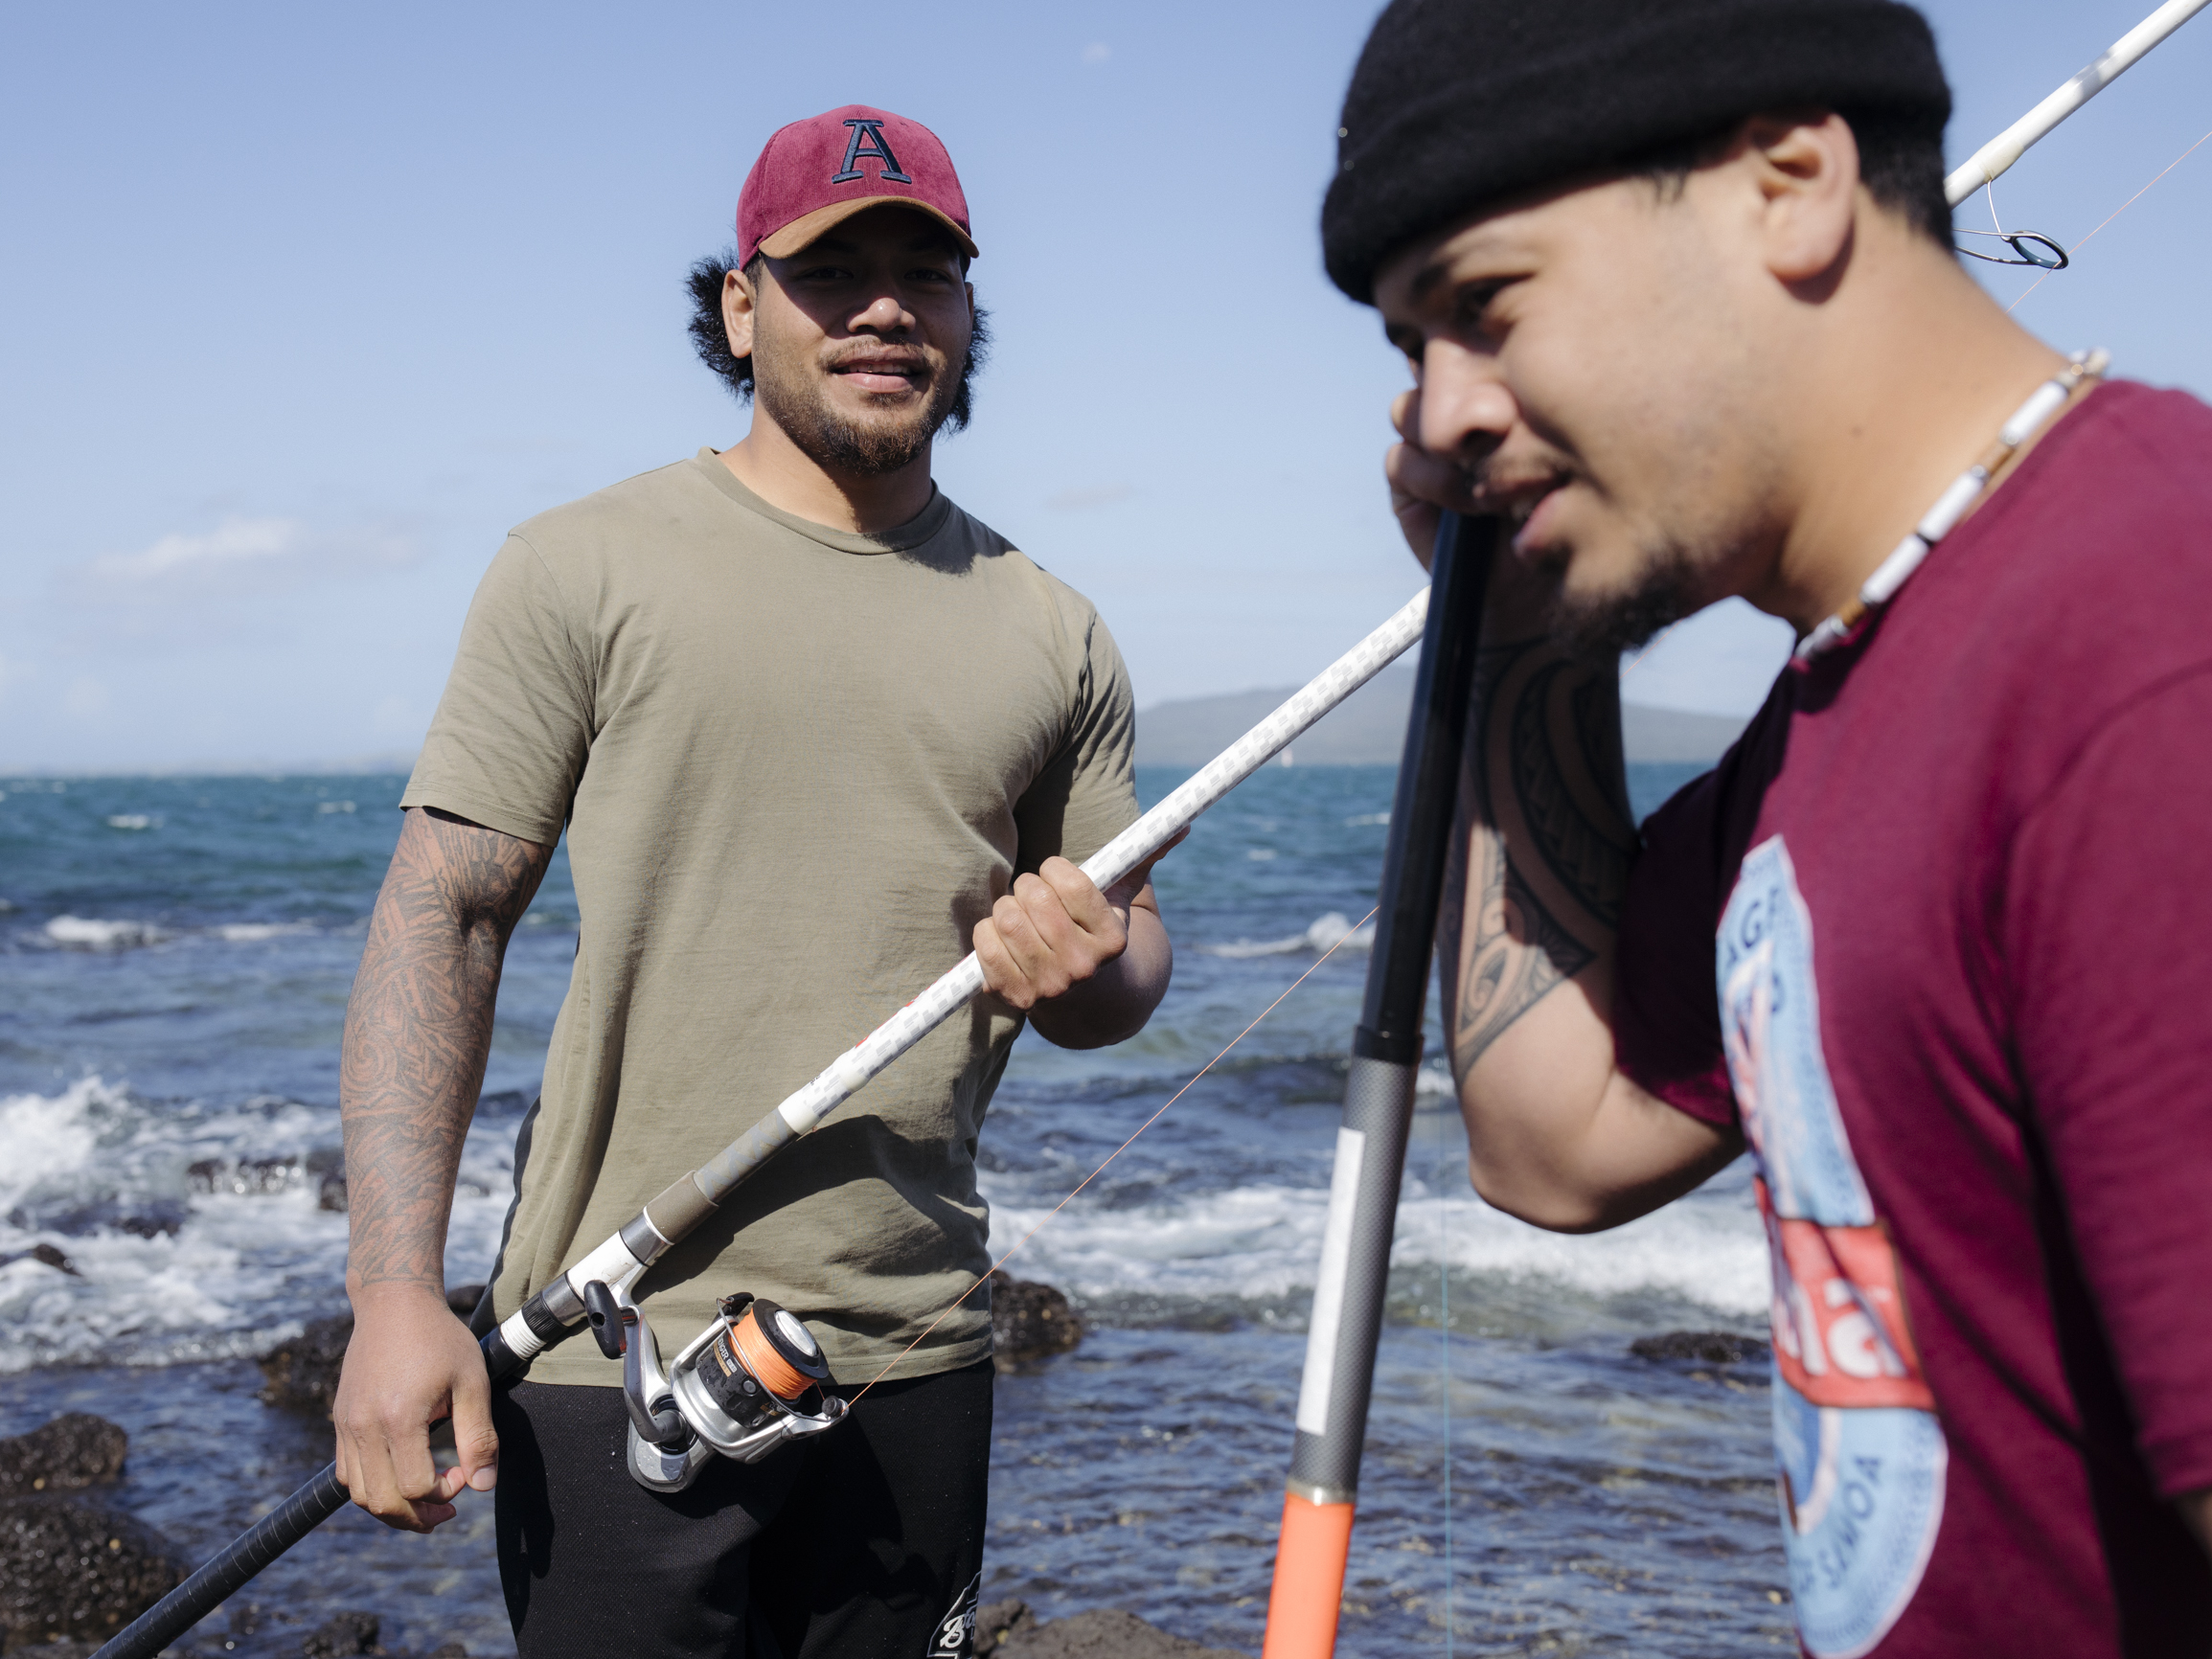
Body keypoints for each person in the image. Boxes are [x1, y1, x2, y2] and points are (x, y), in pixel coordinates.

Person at [1325, 1, 2212, 1652]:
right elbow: (1557, 1136)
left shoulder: (2146, 648)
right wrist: (1512, 633)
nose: (1438, 417)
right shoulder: (1852, 687)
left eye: (1484, 306)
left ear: (1787, 184)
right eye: (1408, 350)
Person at [330, 104, 1174, 1659]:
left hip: (919, 1347)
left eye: (925, 273)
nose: (883, 309)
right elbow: (443, 914)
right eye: (830, 271)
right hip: (607, 1342)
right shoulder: (581, 566)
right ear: (739, 305)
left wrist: (1091, 963)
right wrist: (394, 1296)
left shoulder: (1051, 627)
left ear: (967, 310)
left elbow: (1123, 972)